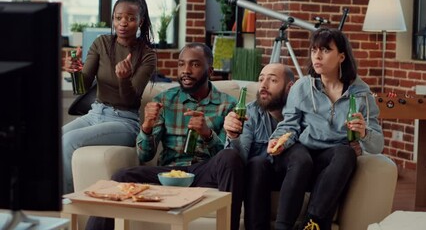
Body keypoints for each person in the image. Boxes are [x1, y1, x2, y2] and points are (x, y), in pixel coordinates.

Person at [85, 42, 244, 230]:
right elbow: (145, 156)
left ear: (210, 71)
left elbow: (231, 158)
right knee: (121, 176)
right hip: (168, 173)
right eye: (181, 64)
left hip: (205, 171)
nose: (186, 70)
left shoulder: (229, 105)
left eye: (194, 64)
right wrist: (146, 127)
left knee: (230, 156)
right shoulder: (165, 100)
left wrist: (207, 134)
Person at [267, 27, 384, 230]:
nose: (317, 56)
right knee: (302, 159)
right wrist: (279, 140)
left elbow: (377, 146)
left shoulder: (362, 94)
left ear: (341, 56)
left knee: (346, 153)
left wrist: (364, 133)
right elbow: (289, 126)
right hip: (300, 153)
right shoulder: (303, 87)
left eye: (325, 50)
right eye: (314, 50)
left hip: (329, 162)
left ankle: (312, 224)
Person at [62, 0, 157, 194]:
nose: (123, 23)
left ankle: (69, 201)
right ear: (113, 19)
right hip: (95, 114)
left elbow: (130, 99)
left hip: (124, 122)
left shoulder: (147, 55)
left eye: (131, 19)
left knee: (70, 141)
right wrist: (75, 71)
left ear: (140, 22)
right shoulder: (101, 43)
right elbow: (82, 87)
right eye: (118, 17)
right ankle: (53, 198)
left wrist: (124, 79)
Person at [223, 63, 296, 230]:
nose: (263, 85)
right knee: (257, 163)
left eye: (272, 80)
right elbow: (239, 160)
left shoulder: (300, 114)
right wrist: (233, 136)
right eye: (261, 79)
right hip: (259, 177)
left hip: (292, 178)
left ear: (289, 87)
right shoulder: (250, 113)